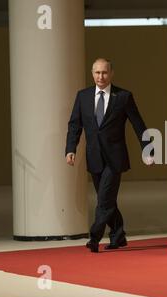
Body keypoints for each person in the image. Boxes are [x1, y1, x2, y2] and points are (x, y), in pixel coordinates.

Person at [65, 58, 154, 253]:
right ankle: (118, 235)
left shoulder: (123, 97)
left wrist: (148, 150)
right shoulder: (83, 96)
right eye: (97, 73)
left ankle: (94, 237)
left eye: (104, 73)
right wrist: (71, 148)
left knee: (104, 200)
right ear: (92, 73)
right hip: (94, 157)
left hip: (115, 158)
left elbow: (138, 124)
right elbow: (74, 125)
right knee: (108, 199)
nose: (100, 77)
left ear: (111, 73)